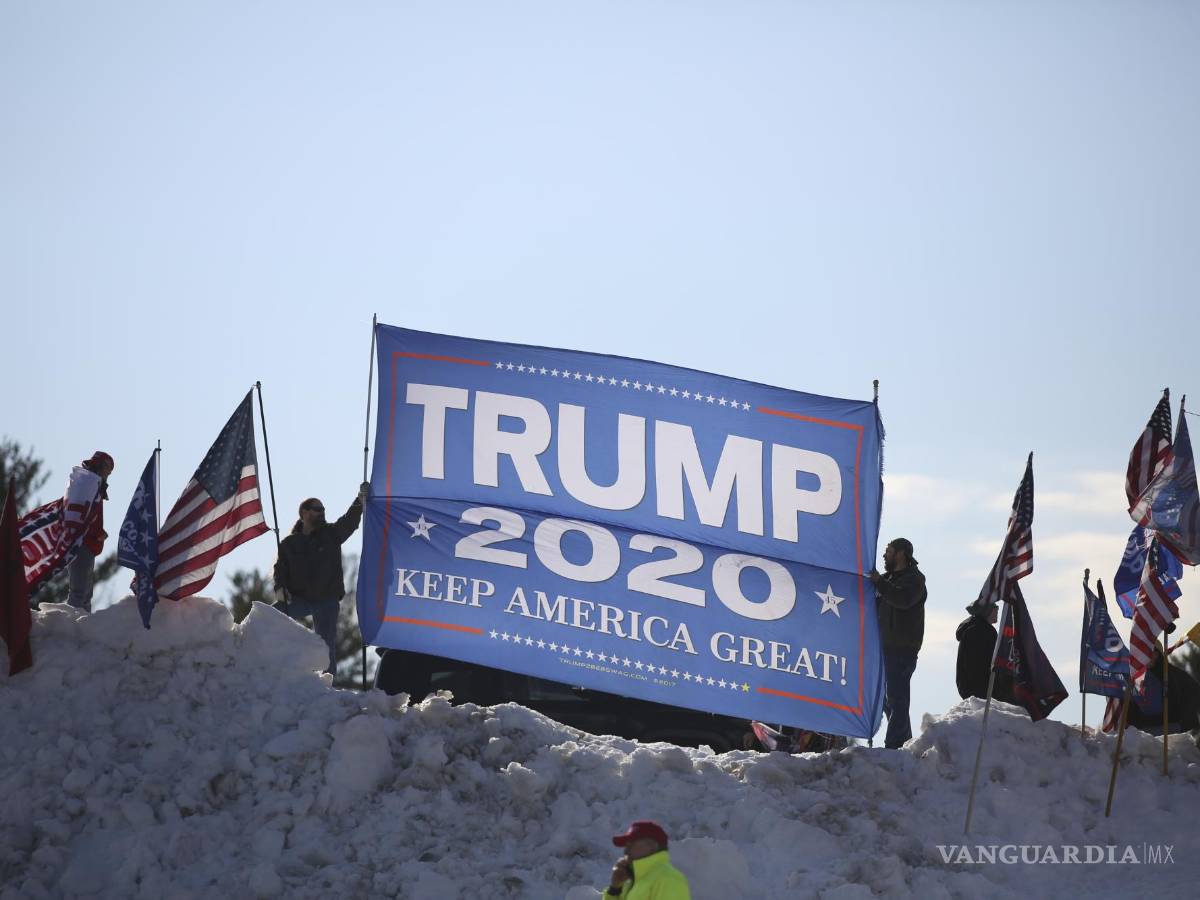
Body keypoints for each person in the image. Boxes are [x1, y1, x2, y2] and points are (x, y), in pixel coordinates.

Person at [272, 482, 369, 674]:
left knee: (326, 645)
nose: (322, 512)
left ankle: (328, 686)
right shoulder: (289, 544)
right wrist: (279, 588)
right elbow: (280, 569)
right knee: (270, 614)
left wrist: (360, 500)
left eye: (323, 509)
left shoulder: (331, 534)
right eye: (317, 509)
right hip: (300, 599)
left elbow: (349, 521)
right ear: (304, 513)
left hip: (327, 599)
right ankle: (269, 661)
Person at [869, 537, 927, 749]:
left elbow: (902, 600)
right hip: (884, 648)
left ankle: (895, 744)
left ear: (901, 553)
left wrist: (879, 583)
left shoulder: (914, 580)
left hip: (902, 649)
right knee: (888, 700)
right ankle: (905, 740)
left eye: (889, 551)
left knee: (896, 698)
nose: (885, 555)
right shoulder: (887, 580)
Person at [67, 451, 114, 611]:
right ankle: (74, 627)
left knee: (85, 593)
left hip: (87, 542)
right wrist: (95, 532)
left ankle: (83, 626)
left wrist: (98, 532)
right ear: (101, 466)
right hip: (82, 542)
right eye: (108, 469)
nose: (109, 473)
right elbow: (81, 515)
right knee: (79, 592)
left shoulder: (88, 484)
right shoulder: (88, 484)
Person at [604, 820, 691, 899]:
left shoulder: (668, 879)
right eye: (626, 845)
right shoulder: (632, 882)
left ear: (652, 846)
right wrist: (615, 889)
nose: (626, 850)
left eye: (631, 844)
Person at [955, 603, 1015, 704]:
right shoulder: (981, 631)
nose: (997, 611)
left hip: (973, 688)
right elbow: (979, 664)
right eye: (995, 608)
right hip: (981, 689)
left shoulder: (977, 629)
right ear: (987, 611)